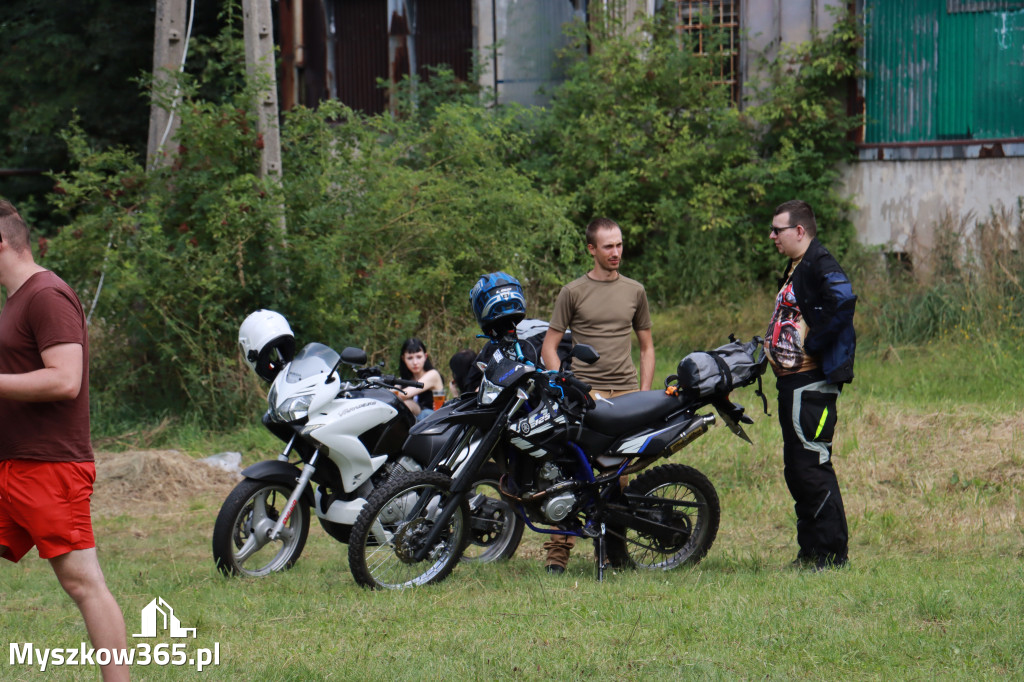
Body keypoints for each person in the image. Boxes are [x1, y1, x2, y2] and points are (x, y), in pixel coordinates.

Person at [0, 201, 129, 681]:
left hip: (49, 467)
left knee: (82, 583)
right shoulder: (15, 300)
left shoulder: (46, 295)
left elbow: (64, 379)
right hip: (11, 464)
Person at [538, 217, 655, 574]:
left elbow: (647, 347)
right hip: (586, 395)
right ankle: (558, 555)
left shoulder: (635, 291)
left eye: (619, 245)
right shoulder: (572, 292)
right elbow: (549, 346)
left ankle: (610, 554)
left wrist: (644, 395)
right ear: (592, 249)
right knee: (572, 473)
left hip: (627, 393)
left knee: (618, 478)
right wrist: (563, 383)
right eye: (608, 246)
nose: (616, 252)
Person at [765, 199, 856, 572]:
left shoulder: (820, 262)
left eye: (777, 230)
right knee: (797, 468)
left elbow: (844, 300)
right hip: (793, 383)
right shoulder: (797, 265)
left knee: (813, 465)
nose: (772, 236)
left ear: (799, 231)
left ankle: (832, 556)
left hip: (811, 385)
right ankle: (811, 551)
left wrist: (814, 345)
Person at [396, 337, 445, 421]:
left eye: (418, 357)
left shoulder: (433, 374)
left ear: (425, 356)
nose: (415, 362)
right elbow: (393, 393)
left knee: (410, 406)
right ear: (403, 359)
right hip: (414, 423)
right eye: (410, 358)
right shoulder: (402, 380)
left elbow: (405, 394)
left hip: (436, 422)